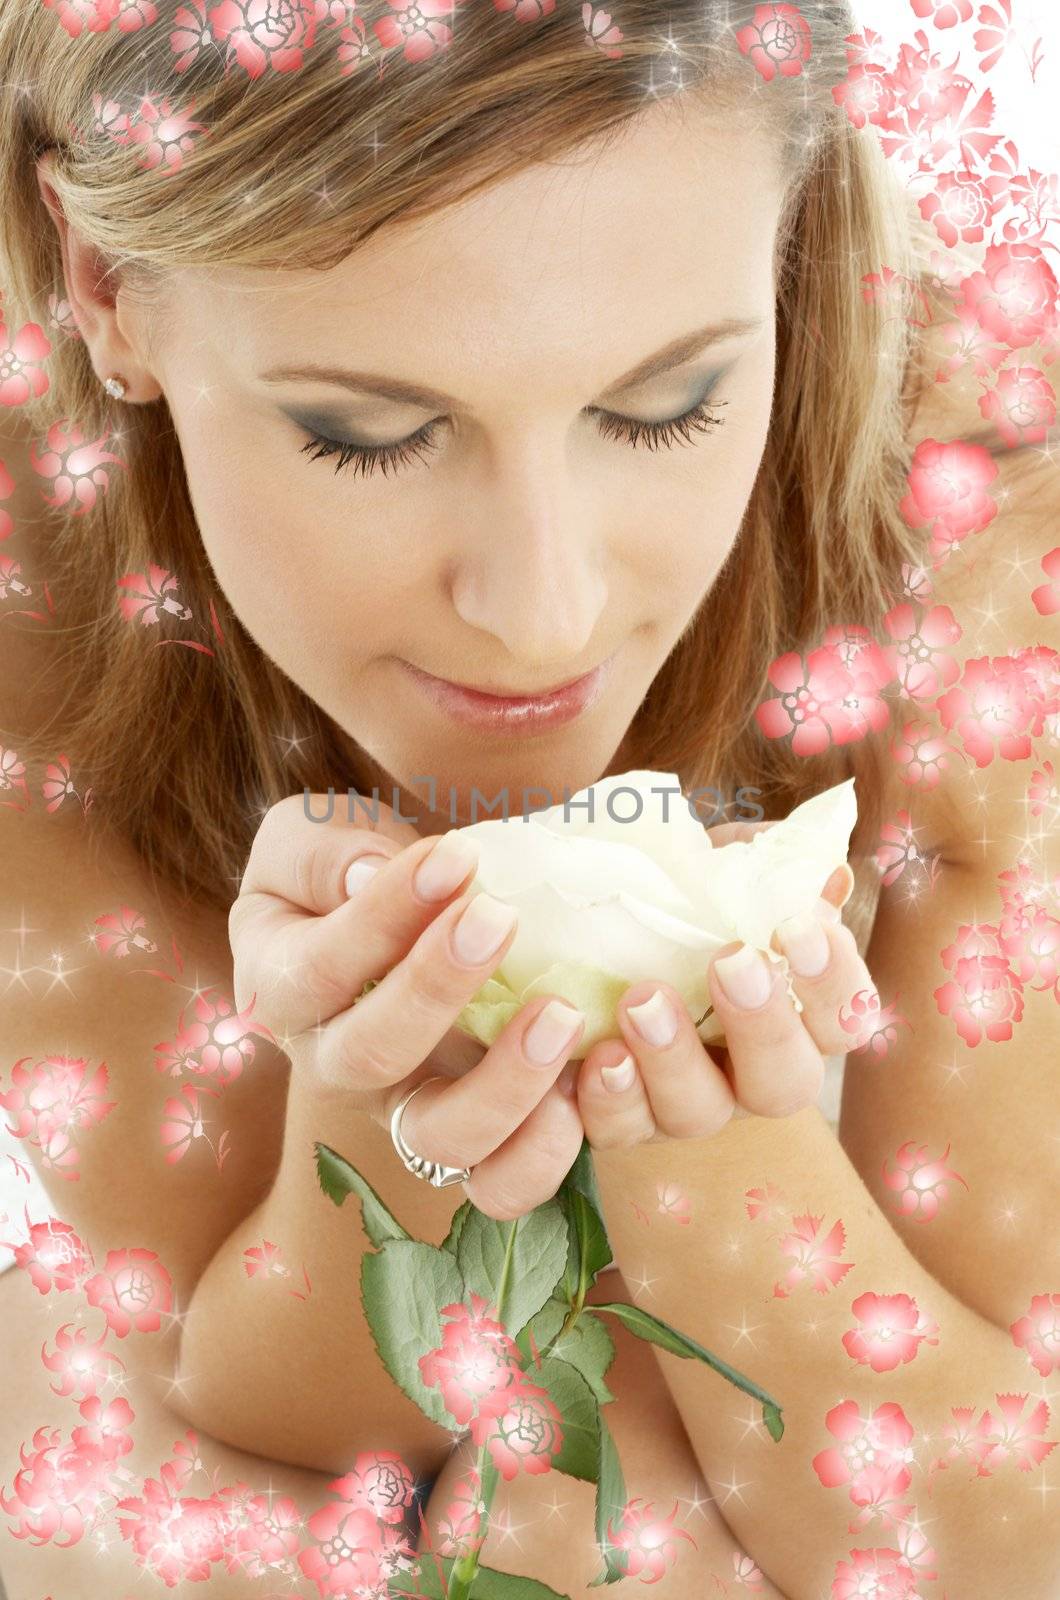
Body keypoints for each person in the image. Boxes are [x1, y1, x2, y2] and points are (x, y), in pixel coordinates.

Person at [0, 2, 1056, 1595]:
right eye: (366, 434)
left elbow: (988, 1533)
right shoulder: (45, 588)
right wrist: (382, 1095)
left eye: (664, 406)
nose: (544, 615)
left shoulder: (987, 531)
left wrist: (706, 1128)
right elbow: (263, 1397)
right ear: (101, 284)